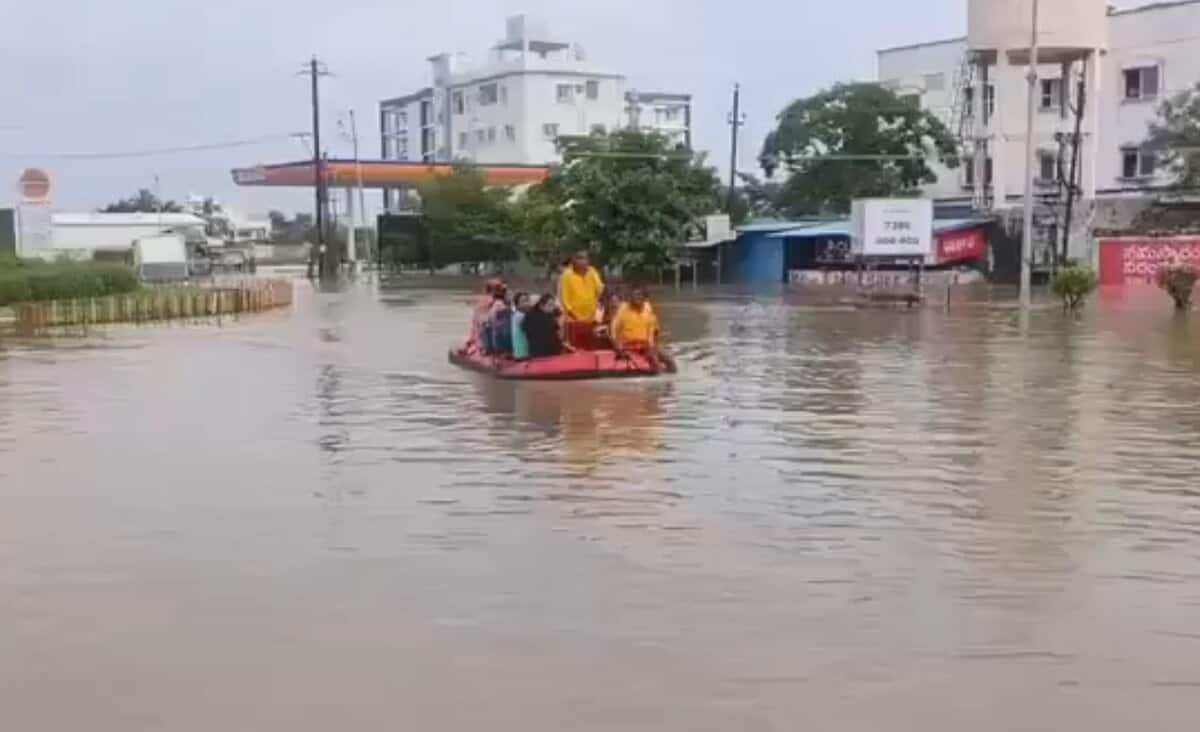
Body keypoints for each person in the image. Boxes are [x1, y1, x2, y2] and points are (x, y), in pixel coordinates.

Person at [611, 286, 673, 371]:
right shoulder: (622, 308)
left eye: (640, 295)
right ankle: (658, 377)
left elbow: (654, 330)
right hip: (628, 346)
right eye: (635, 295)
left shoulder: (648, 308)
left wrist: (652, 346)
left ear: (644, 297)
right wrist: (618, 346)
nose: (638, 297)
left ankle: (669, 381)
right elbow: (614, 328)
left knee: (669, 361)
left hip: (645, 346)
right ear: (630, 297)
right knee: (654, 360)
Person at [558, 250, 604, 350]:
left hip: (591, 320)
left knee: (591, 349)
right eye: (580, 258)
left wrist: (596, 309)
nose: (584, 261)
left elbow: (600, 289)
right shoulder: (566, 275)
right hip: (574, 321)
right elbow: (564, 298)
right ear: (574, 261)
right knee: (576, 350)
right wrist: (573, 315)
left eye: (586, 259)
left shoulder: (592, 271)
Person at [523, 294, 566, 358]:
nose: (552, 308)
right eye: (550, 305)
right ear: (541, 306)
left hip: (536, 354)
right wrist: (561, 321)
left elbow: (524, 329)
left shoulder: (530, 314)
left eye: (553, 305)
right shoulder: (545, 317)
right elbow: (557, 330)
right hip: (546, 354)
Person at [510, 292, 532, 360]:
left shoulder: (515, 315)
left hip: (519, 353)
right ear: (517, 305)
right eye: (523, 301)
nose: (526, 303)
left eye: (527, 301)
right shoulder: (521, 316)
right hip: (524, 354)